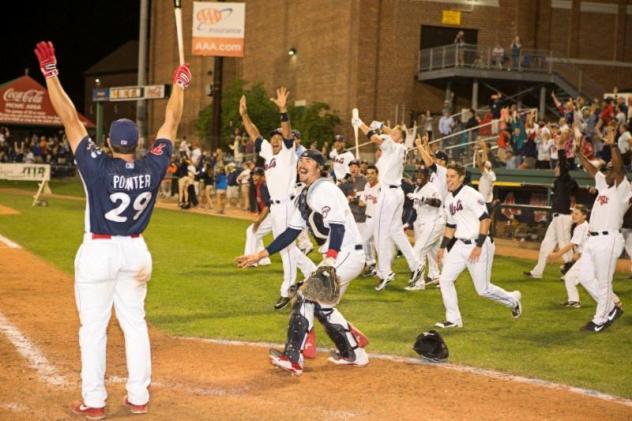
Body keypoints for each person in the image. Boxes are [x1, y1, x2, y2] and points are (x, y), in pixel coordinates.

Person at [35, 40, 190, 417]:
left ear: (108, 142)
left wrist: (51, 75)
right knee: (134, 325)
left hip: (99, 250)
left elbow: (70, 118)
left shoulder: (98, 166)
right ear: (137, 144)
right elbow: (171, 121)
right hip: (136, 250)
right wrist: (180, 86)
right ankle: (138, 397)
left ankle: (95, 401)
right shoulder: (153, 166)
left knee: (94, 328)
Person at [236, 150, 369, 375]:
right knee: (323, 305)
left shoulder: (325, 189)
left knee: (306, 295)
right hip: (342, 255)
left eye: (308, 161)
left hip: (346, 253)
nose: (302, 164)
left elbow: (337, 226)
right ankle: (353, 353)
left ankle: (293, 357)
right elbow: (290, 233)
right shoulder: (305, 195)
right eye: (301, 160)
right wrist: (260, 254)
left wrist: (331, 258)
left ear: (319, 167)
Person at [240, 89, 316, 309]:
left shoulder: (288, 152)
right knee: (287, 247)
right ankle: (314, 273)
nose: (275, 140)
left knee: (285, 248)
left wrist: (283, 110)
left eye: (278, 138)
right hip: (275, 208)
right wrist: (244, 115)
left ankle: (287, 288)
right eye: (273, 138)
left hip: (287, 205)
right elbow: (254, 134)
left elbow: (287, 131)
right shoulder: (269, 152)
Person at [434, 163, 522, 328]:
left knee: (482, 289)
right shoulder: (449, 198)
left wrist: (479, 245)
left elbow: (485, 219)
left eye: (452, 176)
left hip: (479, 243)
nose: (448, 179)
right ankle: (454, 320)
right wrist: (442, 247)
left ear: (461, 178)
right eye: (447, 176)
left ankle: (512, 300)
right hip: (460, 244)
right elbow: (451, 226)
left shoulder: (471, 195)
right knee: (445, 279)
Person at [354, 116, 423, 291]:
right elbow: (389, 133)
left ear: (400, 138)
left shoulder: (395, 146)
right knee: (396, 232)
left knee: (380, 233)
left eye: (396, 133)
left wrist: (359, 122)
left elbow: (374, 138)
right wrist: (383, 126)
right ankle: (416, 265)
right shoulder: (397, 145)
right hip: (395, 192)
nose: (392, 133)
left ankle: (385, 272)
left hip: (388, 193)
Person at [574, 123, 627, 332]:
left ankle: (600, 320)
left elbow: (619, 168)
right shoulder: (604, 185)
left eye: (611, 169)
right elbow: (591, 168)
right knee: (585, 277)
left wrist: (613, 145)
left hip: (609, 239)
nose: (608, 171)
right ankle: (611, 306)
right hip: (593, 239)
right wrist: (579, 153)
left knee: (604, 283)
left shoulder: (622, 188)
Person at [524, 134, 578, 279]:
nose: (555, 169)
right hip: (556, 217)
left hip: (563, 217)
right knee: (546, 244)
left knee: (564, 244)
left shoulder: (565, 178)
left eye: (558, 167)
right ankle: (537, 272)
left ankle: (570, 272)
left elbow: (563, 163)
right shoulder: (560, 181)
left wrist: (560, 148)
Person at [405, 167, 444, 290]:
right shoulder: (417, 189)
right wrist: (408, 223)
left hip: (433, 221)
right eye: (417, 174)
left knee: (418, 251)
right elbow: (415, 209)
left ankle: (418, 283)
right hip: (423, 222)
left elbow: (438, 202)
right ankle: (444, 278)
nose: (419, 177)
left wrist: (423, 198)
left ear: (427, 176)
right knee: (436, 252)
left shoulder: (431, 188)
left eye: (422, 174)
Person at [243, 167, 272, 267]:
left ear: (263, 176)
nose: (254, 177)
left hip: (274, 216)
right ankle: (264, 259)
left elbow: (268, 206)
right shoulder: (259, 186)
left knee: (252, 231)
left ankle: (250, 260)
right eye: (253, 174)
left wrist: (258, 221)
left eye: (257, 175)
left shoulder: (263, 186)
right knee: (254, 233)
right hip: (273, 216)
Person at [358, 165, 380, 276]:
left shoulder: (381, 187)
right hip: (369, 218)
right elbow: (361, 202)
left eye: (372, 173)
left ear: (377, 174)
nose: (369, 176)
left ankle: (373, 265)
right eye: (368, 173)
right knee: (369, 243)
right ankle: (372, 265)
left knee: (367, 242)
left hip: (378, 219)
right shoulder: (367, 185)